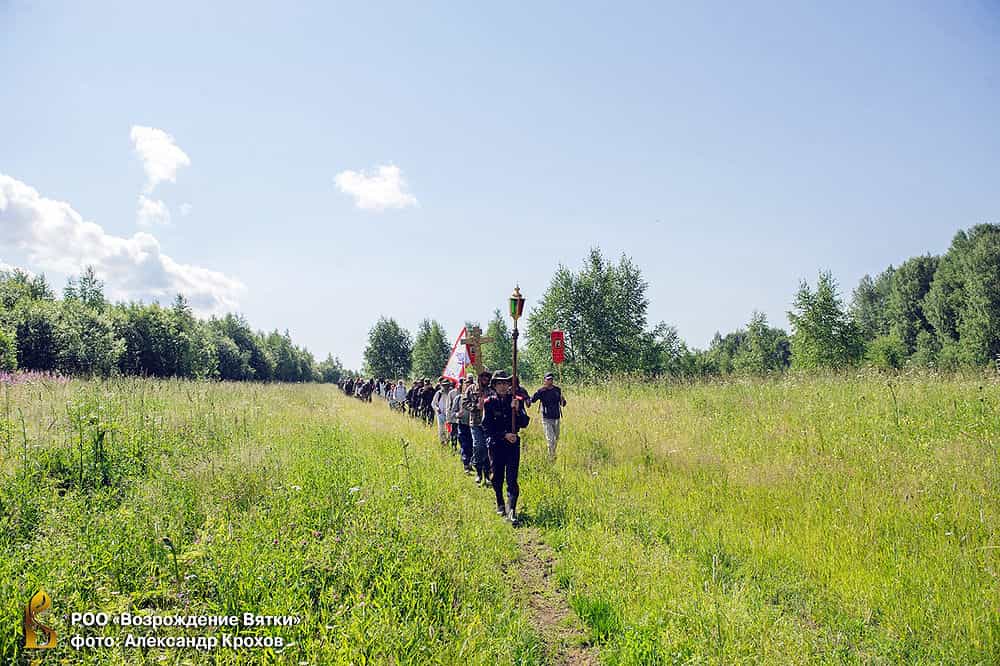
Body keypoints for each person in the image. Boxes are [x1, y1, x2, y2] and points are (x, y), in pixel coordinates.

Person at [483, 370, 529, 524]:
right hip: (496, 444)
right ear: (494, 386)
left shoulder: (517, 400)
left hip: (512, 445)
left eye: (505, 383)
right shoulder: (489, 403)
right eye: (499, 383)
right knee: (497, 476)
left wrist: (517, 410)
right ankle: (500, 503)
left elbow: (524, 423)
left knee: (512, 478)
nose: (503, 386)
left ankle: (512, 510)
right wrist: (504, 435)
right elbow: (487, 427)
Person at [463, 370, 493, 485]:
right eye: (484, 377)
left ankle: (487, 474)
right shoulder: (471, 388)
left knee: (487, 448)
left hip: (488, 424)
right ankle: (478, 471)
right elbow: (465, 403)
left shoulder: (491, 390)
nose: (486, 380)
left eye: (487, 378)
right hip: (475, 423)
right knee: (478, 446)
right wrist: (476, 406)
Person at [531, 371, 567, 461]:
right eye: (548, 379)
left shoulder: (557, 390)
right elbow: (532, 400)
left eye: (551, 379)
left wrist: (562, 400)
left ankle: (552, 453)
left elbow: (563, 404)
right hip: (546, 418)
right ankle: (551, 458)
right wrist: (538, 393)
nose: (550, 381)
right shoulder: (541, 391)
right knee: (551, 439)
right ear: (544, 380)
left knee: (556, 438)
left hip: (556, 417)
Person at [431, 377, 452, 445]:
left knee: (449, 430)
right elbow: (433, 403)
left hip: (449, 415)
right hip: (440, 415)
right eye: (444, 385)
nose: (445, 387)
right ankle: (442, 443)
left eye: (447, 385)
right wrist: (437, 408)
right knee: (441, 429)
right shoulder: (438, 393)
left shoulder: (451, 393)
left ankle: (448, 441)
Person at [447, 377, 464, 453]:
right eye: (461, 383)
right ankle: (454, 447)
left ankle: (462, 449)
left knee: (461, 435)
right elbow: (449, 406)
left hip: (463, 420)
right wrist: (449, 418)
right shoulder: (452, 393)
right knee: (453, 434)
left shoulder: (468, 393)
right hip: (454, 418)